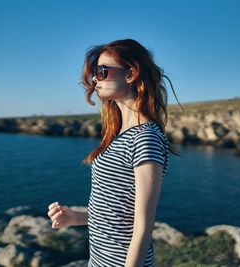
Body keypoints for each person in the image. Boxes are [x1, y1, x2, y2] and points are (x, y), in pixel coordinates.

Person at [47, 39, 183, 267]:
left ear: (130, 74)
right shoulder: (120, 135)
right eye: (95, 74)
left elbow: (143, 226)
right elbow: (118, 211)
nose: (94, 80)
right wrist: (77, 218)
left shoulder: (145, 138)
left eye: (102, 72)